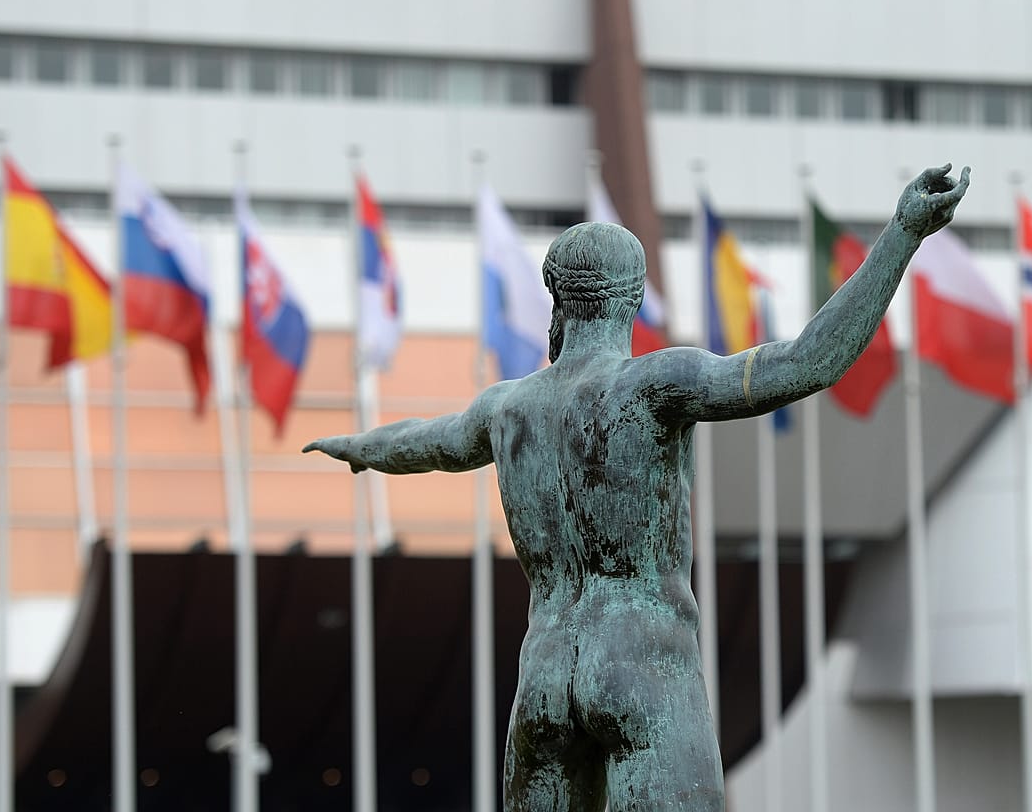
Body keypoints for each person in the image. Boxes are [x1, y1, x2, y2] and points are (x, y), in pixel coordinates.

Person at [303, 163, 972, 811]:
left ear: (558, 306)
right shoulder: (653, 385)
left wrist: (359, 447)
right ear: (630, 300)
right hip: (642, 673)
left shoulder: (506, 408)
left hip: (543, 683)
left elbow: (424, 442)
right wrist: (902, 235)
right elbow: (806, 362)